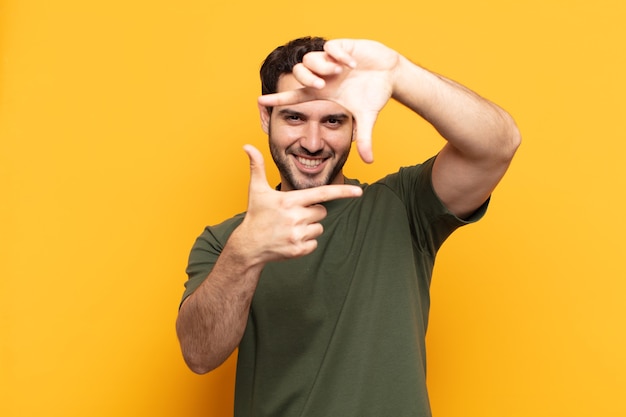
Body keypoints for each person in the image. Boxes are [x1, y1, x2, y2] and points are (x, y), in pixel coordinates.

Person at [176, 36, 520, 416]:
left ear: (355, 124)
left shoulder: (402, 207)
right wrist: (244, 254)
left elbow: (497, 146)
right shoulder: (224, 242)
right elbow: (199, 355)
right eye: (295, 117)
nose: (312, 141)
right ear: (266, 118)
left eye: (333, 120)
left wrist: (398, 74)